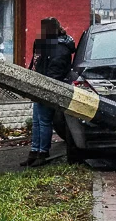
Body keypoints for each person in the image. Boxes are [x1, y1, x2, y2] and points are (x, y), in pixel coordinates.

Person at [21, 17, 75, 167]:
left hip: (48, 88)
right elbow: (36, 64)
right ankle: (35, 151)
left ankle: (42, 152)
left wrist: (45, 85)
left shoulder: (60, 47)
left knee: (44, 121)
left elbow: (54, 71)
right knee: (38, 121)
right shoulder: (46, 44)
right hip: (39, 86)